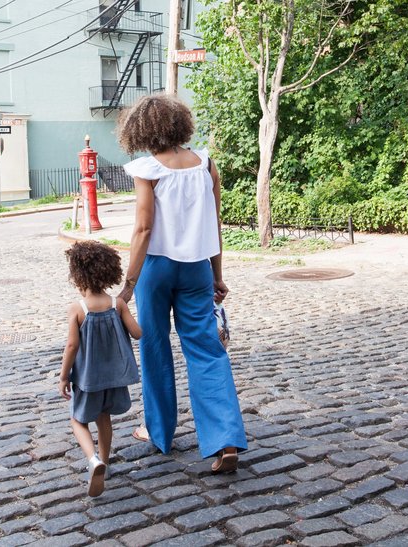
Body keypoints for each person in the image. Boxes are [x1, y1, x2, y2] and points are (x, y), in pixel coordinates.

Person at [117, 94, 248, 474]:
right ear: (180, 125)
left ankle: (159, 432)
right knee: (207, 350)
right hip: (197, 269)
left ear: (140, 130)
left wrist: (128, 286)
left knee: (155, 347)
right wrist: (217, 274)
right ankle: (224, 439)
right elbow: (214, 223)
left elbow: (143, 228)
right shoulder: (205, 163)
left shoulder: (148, 169)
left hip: (157, 269)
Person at [59, 240, 142, 497]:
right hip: (114, 377)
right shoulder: (118, 304)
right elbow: (137, 333)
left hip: (87, 379)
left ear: (77, 276)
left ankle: (93, 459)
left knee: (77, 419)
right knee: (103, 418)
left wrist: (64, 376)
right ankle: (105, 461)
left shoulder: (78, 309)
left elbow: (72, 345)